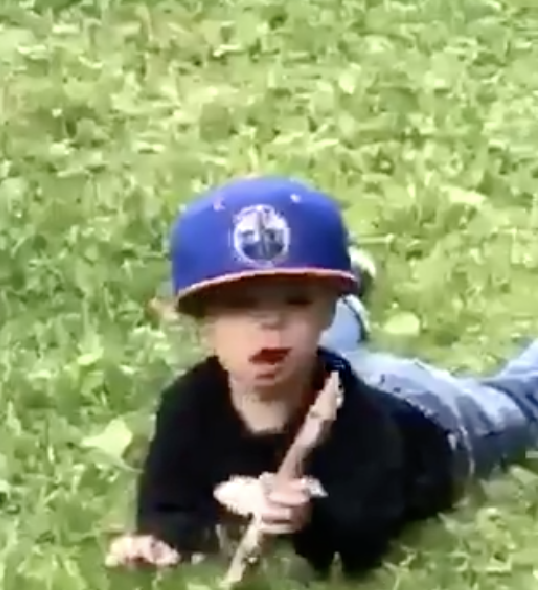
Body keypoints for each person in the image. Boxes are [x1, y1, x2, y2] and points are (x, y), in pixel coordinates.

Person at [105, 175, 538, 579]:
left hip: (427, 413)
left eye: (296, 299)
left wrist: (308, 521)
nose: (269, 322)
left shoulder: (357, 421)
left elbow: (364, 540)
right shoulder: (187, 406)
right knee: (304, 347)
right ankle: (343, 286)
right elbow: (169, 501)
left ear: (325, 307)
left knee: (518, 401)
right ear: (202, 321)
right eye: (240, 304)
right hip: (317, 361)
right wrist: (160, 541)